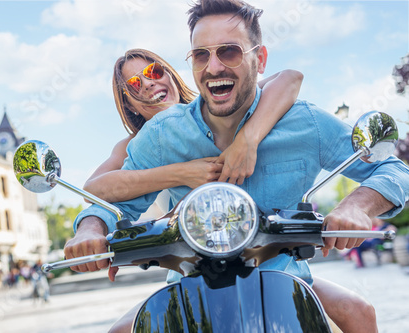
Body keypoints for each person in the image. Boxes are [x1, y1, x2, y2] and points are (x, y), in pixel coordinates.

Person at [65, 1, 409, 332]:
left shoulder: (305, 122)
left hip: (284, 282)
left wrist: (355, 206)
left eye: (228, 51)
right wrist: (90, 230)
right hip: (187, 293)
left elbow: (393, 169)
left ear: (259, 59)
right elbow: (112, 202)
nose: (214, 67)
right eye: (202, 55)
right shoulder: (159, 136)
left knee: (359, 310)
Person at [83, 48, 304, 201]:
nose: (149, 83)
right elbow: (91, 190)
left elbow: (290, 78)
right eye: (135, 84)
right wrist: (182, 174)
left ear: (170, 75)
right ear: (129, 105)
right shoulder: (133, 145)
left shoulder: (216, 108)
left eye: (154, 72)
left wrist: (247, 140)